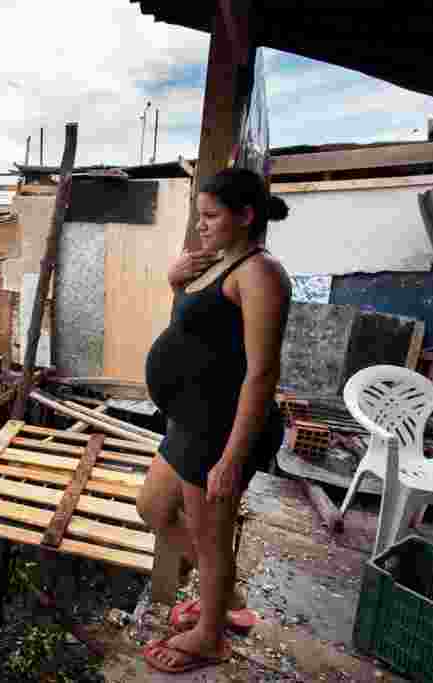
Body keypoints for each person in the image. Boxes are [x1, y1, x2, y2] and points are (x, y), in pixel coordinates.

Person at [138, 168, 292, 673]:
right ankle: (220, 589)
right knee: (154, 508)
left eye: (210, 215)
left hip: (220, 431)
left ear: (245, 216)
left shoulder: (260, 274)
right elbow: (196, 336)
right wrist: (175, 284)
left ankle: (210, 636)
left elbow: (262, 373)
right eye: (198, 215)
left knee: (209, 536)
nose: (200, 226)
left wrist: (233, 457)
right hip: (190, 420)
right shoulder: (223, 262)